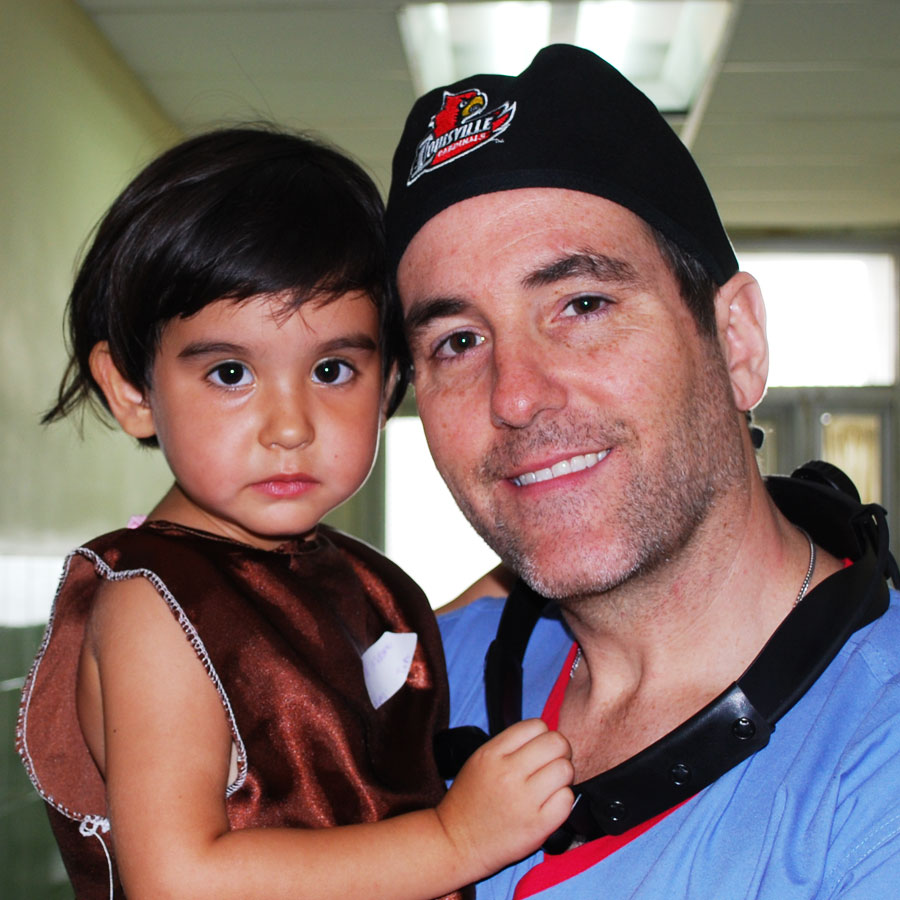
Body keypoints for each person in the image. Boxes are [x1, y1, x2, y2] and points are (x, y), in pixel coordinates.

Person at [385, 44, 900, 898]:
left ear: (736, 342)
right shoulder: (427, 682)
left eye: (583, 305)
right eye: (458, 341)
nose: (516, 396)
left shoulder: (874, 755)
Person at [16, 127, 575, 900]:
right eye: (231, 372)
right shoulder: (154, 605)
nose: (290, 426)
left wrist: (507, 583)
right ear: (132, 389)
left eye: (333, 369)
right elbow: (179, 881)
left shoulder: (343, 572)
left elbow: (325, 667)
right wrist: (455, 840)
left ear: (388, 385)